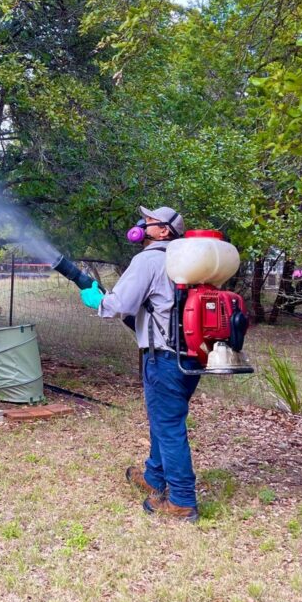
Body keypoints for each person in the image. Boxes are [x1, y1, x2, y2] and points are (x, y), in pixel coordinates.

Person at [79, 206, 201, 522]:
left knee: (169, 426)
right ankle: (154, 477)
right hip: (191, 357)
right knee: (164, 420)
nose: (142, 225)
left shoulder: (149, 259)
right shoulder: (188, 260)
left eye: (150, 222)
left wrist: (99, 302)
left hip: (164, 357)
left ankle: (182, 501)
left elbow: (121, 304)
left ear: (165, 231)